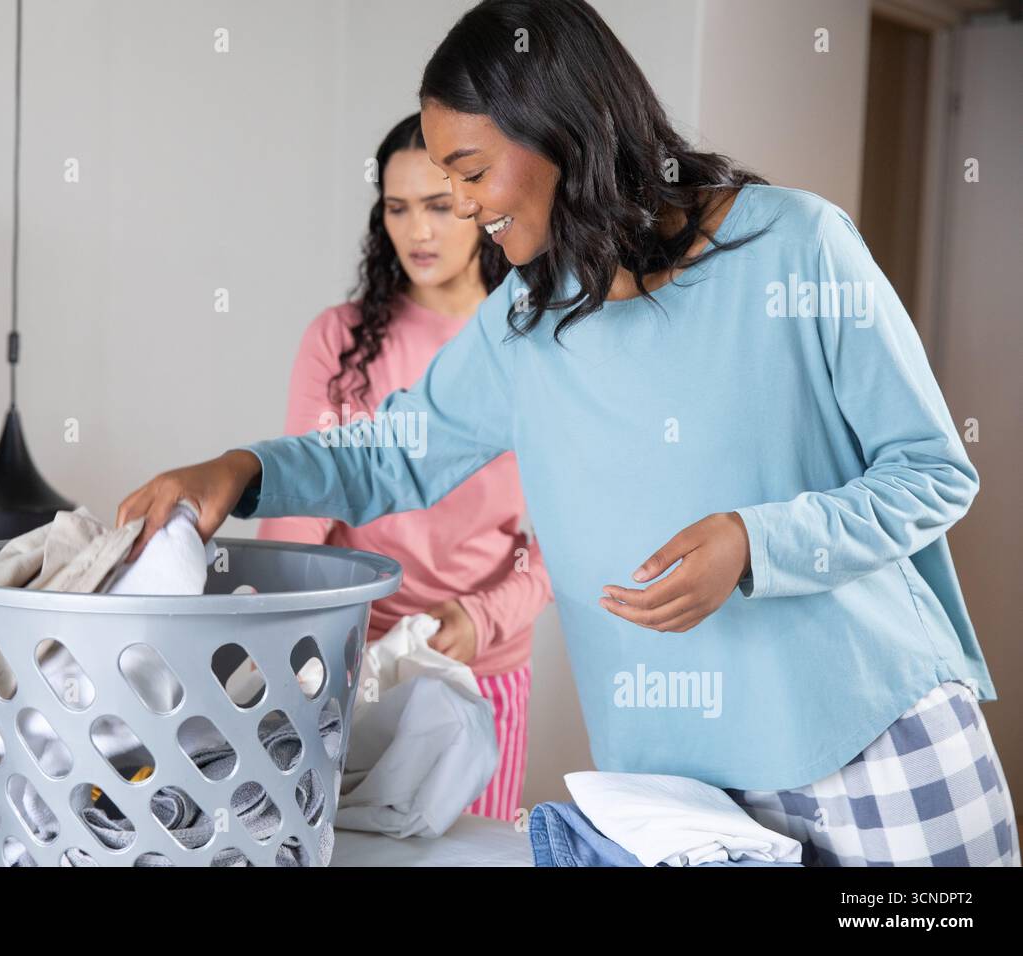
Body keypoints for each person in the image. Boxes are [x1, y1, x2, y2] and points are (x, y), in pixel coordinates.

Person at [118, 0, 1015, 865]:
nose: (462, 208)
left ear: (559, 128)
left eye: (470, 173)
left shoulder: (799, 245)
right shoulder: (528, 313)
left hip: (870, 740)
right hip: (677, 786)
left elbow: (932, 472)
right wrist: (243, 470)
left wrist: (754, 544)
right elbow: (395, 453)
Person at [255, 113, 552, 821]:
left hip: (482, 659)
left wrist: (483, 618)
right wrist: (277, 650)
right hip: (346, 661)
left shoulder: (537, 336)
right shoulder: (341, 339)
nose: (418, 231)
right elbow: (301, 512)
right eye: (398, 207)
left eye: (441, 206)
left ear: (479, 205)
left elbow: (575, 532)